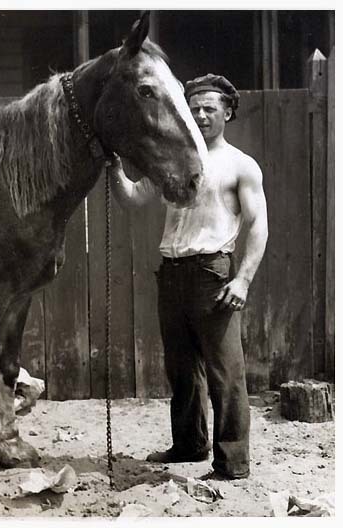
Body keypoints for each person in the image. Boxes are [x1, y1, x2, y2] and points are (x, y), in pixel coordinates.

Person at [107, 73, 268, 479]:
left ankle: (232, 463)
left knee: (225, 373)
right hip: (172, 274)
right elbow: (131, 199)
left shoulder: (239, 165)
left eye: (209, 109)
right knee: (181, 371)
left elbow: (259, 225)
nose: (200, 115)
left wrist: (243, 279)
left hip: (211, 275)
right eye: (193, 109)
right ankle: (188, 446)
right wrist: (113, 167)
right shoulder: (172, 160)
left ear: (227, 112)